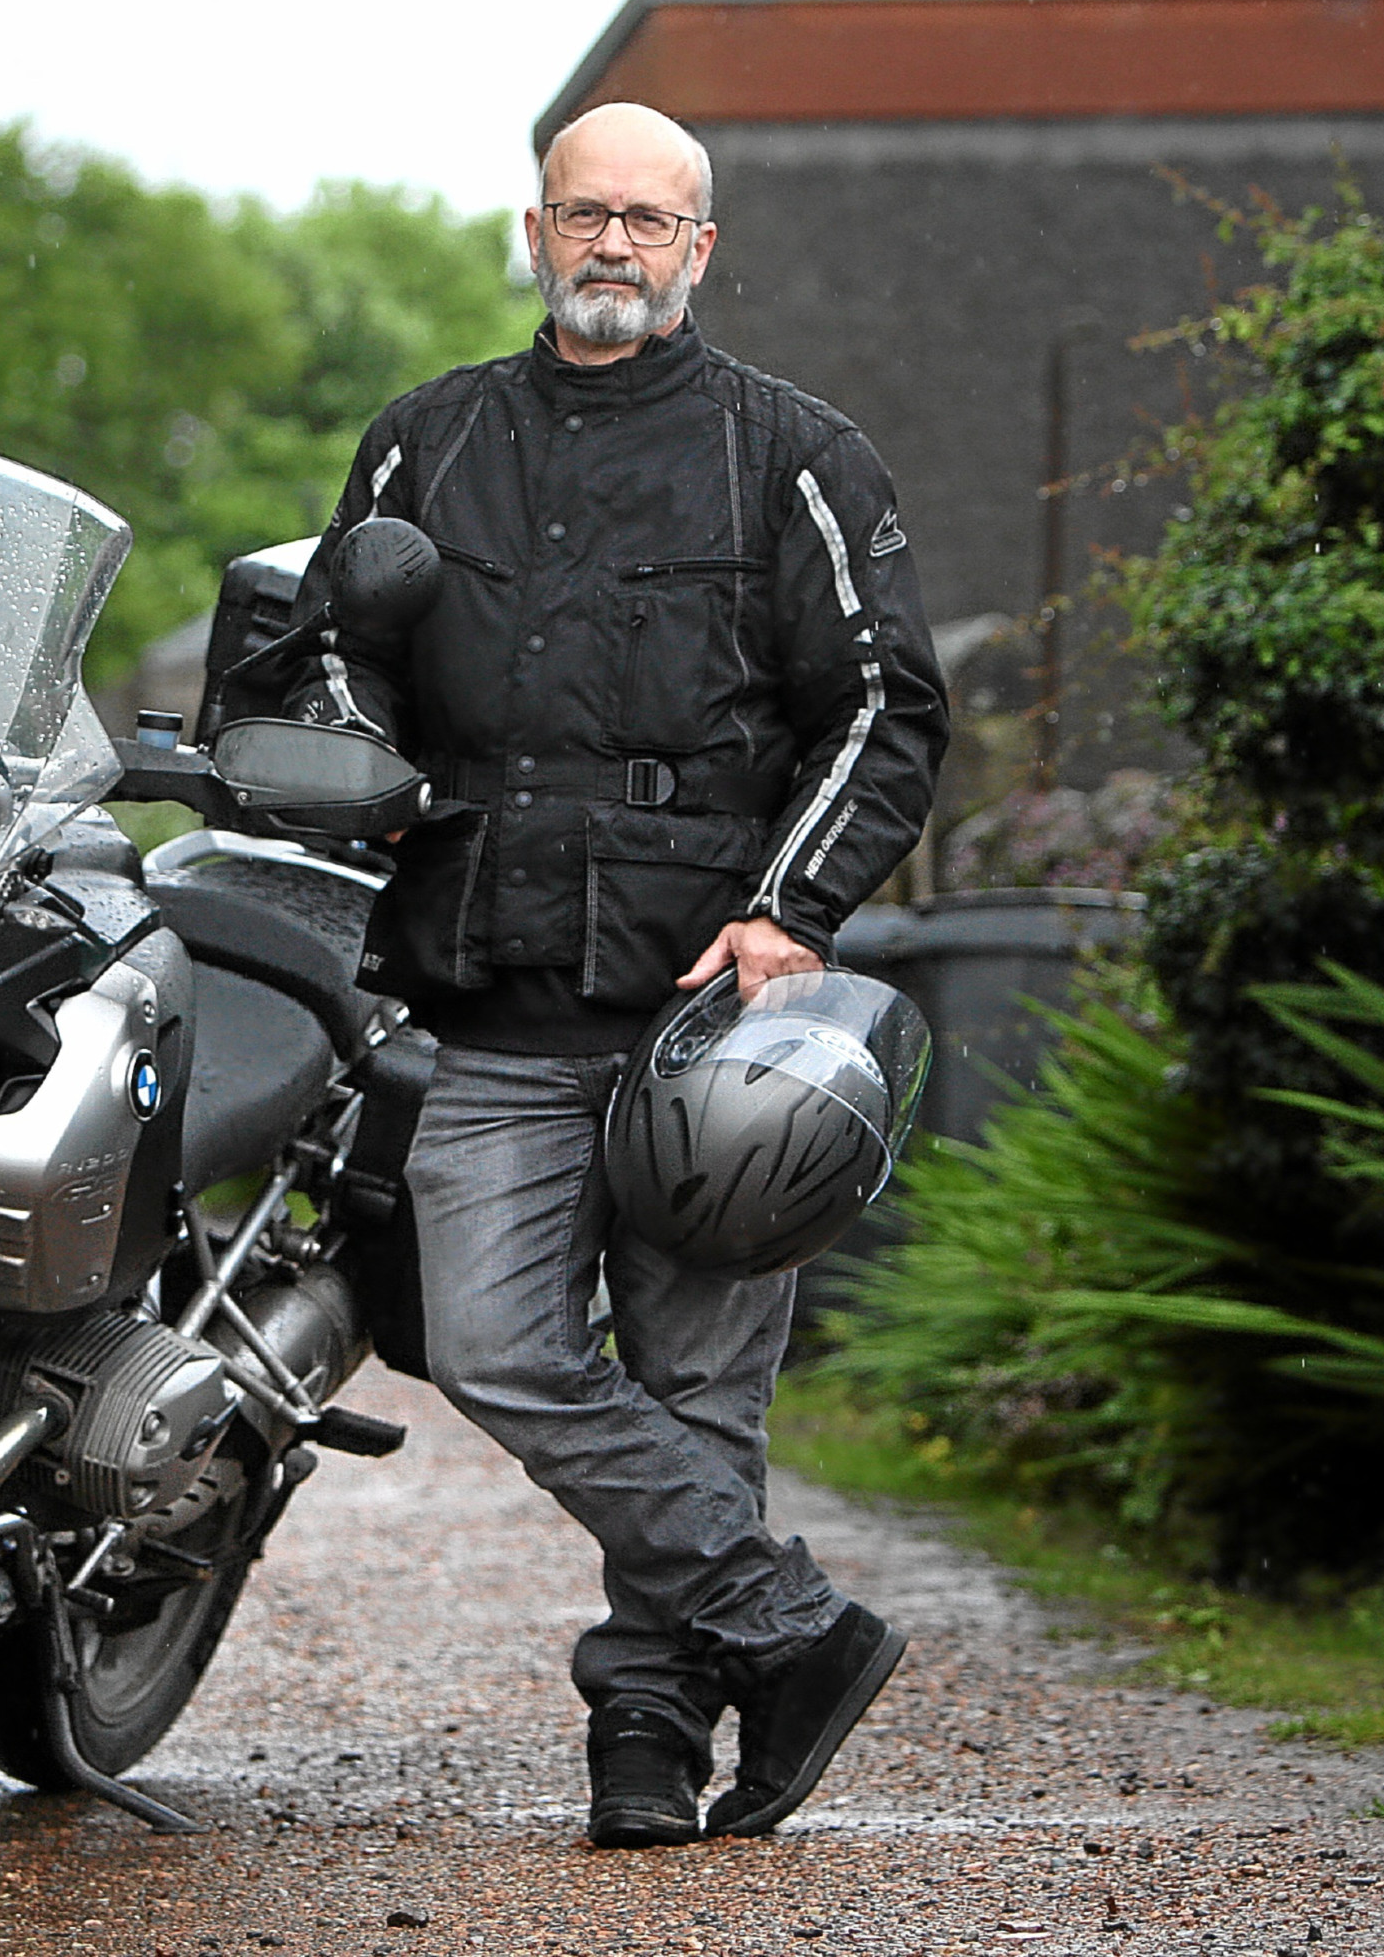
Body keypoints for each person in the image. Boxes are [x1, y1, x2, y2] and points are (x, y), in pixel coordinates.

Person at [279, 103, 948, 1847]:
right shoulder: (421, 442)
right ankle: (796, 1625)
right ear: (533, 228)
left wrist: (792, 908)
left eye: (651, 222)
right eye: (587, 213)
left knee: (698, 1393)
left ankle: (646, 1743)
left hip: (711, 1015)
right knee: (495, 1343)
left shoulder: (792, 451)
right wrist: (333, 765)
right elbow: (328, 664)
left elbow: (887, 708)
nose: (615, 246)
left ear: (700, 249)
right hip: (486, 996)